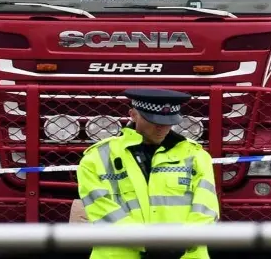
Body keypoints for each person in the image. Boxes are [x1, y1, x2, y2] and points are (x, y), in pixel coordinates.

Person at [76, 89, 220, 259]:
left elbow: (206, 209)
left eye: (169, 122)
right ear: (133, 114)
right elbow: (102, 211)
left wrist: (181, 243)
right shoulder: (97, 158)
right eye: (154, 121)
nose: (162, 128)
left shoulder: (196, 156)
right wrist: (150, 243)